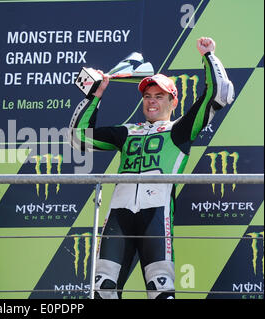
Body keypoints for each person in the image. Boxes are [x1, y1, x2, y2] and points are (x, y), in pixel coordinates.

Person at [69, 37, 234, 299]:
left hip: (156, 216)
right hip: (119, 216)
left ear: (173, 101)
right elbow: (80, 137)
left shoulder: (180, 130)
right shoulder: (127, 131)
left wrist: (209, 56)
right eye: (147, 96)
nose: (152, 101)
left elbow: (219, 94)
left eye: (159, 96)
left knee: (160, 291)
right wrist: (96, 95)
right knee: (103, 291)